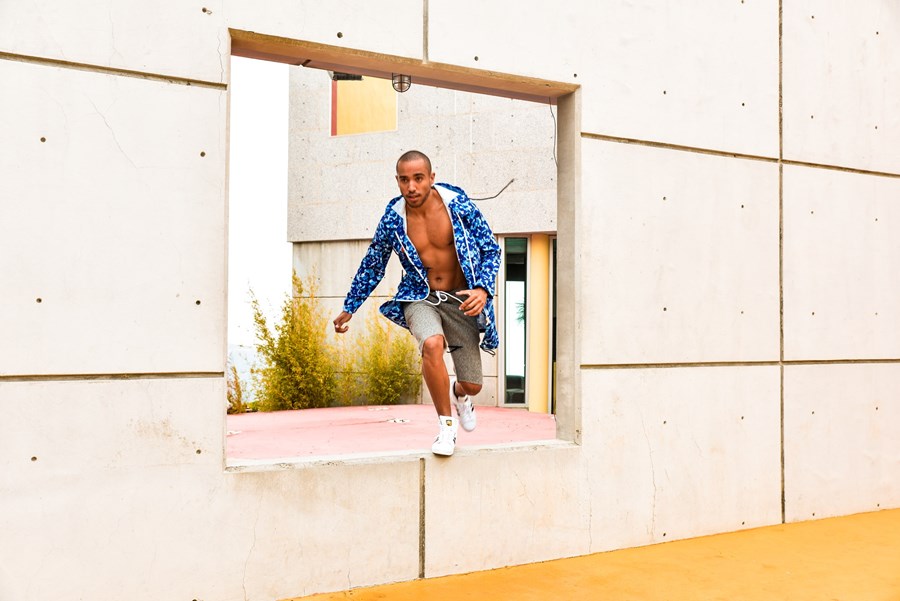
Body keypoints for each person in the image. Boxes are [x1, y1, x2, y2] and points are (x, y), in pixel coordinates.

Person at [333, 150, 501, 456]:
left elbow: (490, 248)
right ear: (397, 181)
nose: (411, 187)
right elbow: (374, 264)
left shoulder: (459, 205)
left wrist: (483, 289)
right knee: (432, 345)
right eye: (404, 180)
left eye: (418, 178)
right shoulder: (393, 219)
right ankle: (446, 429)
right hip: (419, 296)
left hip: (460, 299)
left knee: (473, 385)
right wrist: (350, 307)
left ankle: (459, 394)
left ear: (431, 178)